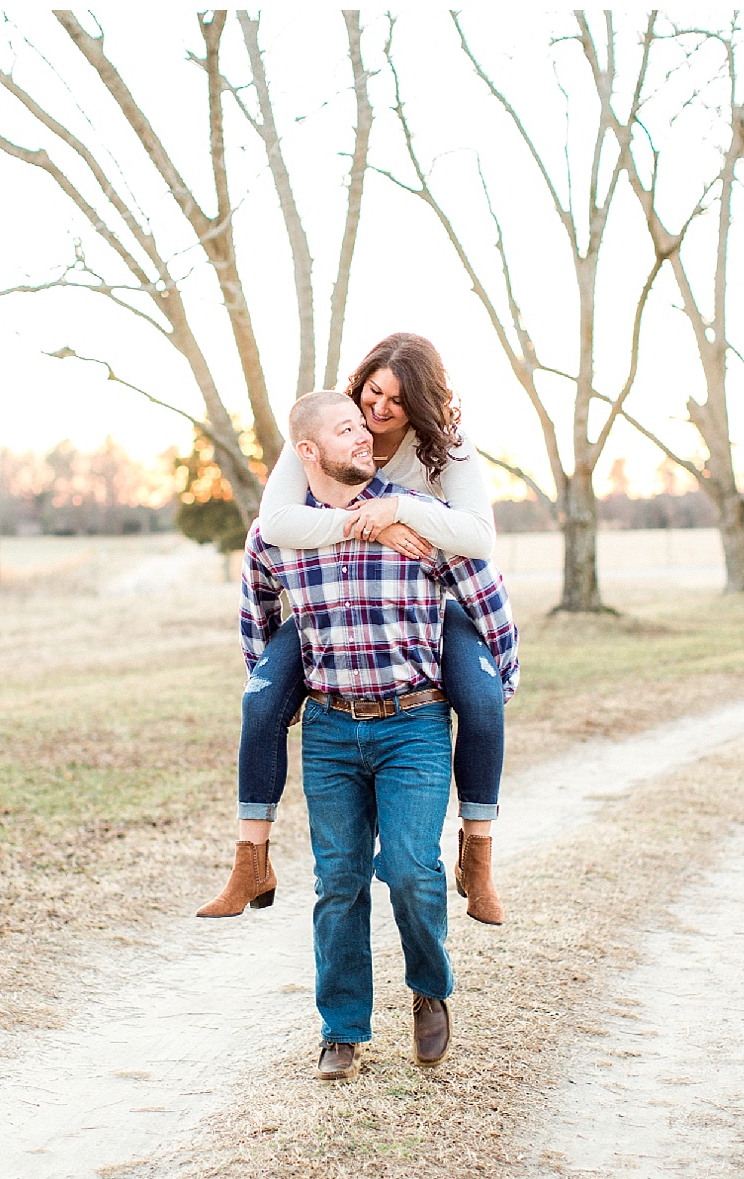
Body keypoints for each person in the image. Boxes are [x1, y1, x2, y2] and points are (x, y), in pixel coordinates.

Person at [237, 389, 519, 1079]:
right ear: (309, 452)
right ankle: (341, 1030)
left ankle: (429, 991)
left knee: (414, 873)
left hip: (415, 723)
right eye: (348, 429)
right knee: (337, 881)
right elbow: (259, 617)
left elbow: (486, 598)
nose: (367, 436)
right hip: (332, 731)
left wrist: (494, 684)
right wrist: (280, 693)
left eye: (366, 427)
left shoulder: (421, 519)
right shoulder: (281, 531)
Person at [198, 333, 512, 926]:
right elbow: (276, 522)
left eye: (398, 399)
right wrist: (361, 525)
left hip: (421, 600)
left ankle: (478, 854)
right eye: (373, 392)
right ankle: (251, 859)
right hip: (331, 598)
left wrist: (398, 512)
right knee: (261, 704)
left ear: (422, 402)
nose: (379, 411)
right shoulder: (328, 427)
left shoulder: (446, 447)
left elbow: (478, 539)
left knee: (484, 700)